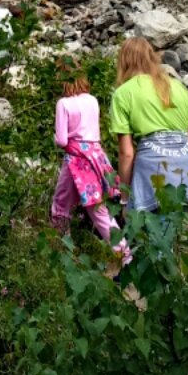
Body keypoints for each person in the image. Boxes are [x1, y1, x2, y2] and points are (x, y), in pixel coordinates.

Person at [110, 36, 188, 224]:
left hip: (153, 172)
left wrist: (125, 198)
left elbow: (127, 153)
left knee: (156, 239)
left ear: (124, 61)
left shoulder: (123, 93)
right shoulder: (177, 86)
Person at [51, 70, 131, 266]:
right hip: (96, 156)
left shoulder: (64, 104)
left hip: (76, 160)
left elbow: (62, 140)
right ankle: (126, 255)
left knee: (61, 204)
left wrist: (55, 139)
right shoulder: (92, 100)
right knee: (98, 209)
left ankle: (63, 250)